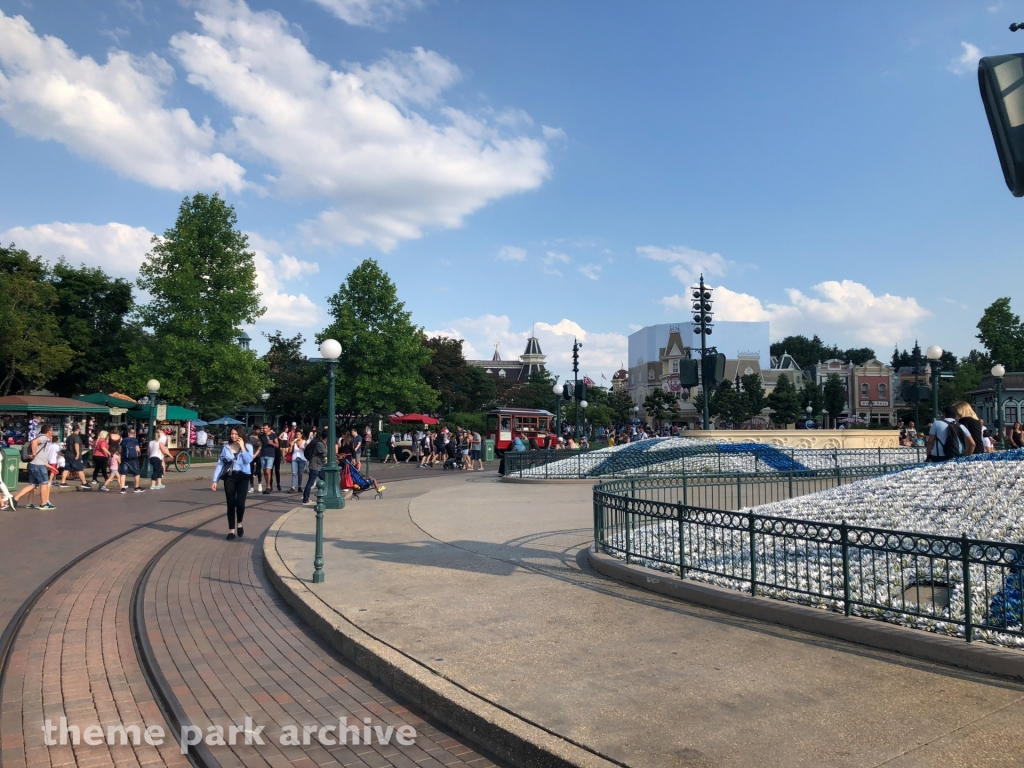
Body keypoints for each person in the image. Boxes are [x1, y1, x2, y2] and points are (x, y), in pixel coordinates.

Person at [211, 427, 254, 540]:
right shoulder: (226, 447)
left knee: (240, 503)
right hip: (230, 477)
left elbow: (248, 460)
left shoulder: (248, 446)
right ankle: (231, 531)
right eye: (232, 434)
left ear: (241, 434)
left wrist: (243, 447)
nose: (233, 436)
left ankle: (239, 522)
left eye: (236, 434)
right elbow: (220, 464)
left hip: (243, 477)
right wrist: (215, 480)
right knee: (230, 504)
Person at [14, 423, 56, 510]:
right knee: (44, 483)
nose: (53, 432)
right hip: (39, 465)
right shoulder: (44, 438)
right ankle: (43, 504)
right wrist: (34, 454)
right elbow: (34, 442)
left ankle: (15, 498)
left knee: (33, 484)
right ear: (48, 431)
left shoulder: (39, 437)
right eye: (52, 430)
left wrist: (51, 467)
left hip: (33, 464)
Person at [302, 428, 329, 505]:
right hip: (315, 465)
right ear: (327, 437)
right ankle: (305, 499)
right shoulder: (320, 444)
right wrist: (336, 456)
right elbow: (326, 453)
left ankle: (323, 495)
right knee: (310, 482)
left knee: (325, 480)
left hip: (320, 465)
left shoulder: (324, 444)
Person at [59, 424, 88, 488]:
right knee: (80, 469)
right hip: (74, 455)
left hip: (68, 455)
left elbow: (67, 445)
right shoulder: (76, 437)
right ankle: (84, 483)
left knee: (66, 469)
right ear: (78, 430)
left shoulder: (69, 437)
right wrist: (77, 453)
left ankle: (63, 482)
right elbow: (76, 444)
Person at [121, 428, 145, 493]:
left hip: (125, 458)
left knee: (123, 473)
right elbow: (137, 449)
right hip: (133, 458)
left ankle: (123, 488)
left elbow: (121, 448)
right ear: (134, 434)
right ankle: (137, 487)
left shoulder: (124, 440)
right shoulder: (135, 440)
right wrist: (139, 453)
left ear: (128, 433)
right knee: (136, 472)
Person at [258, 424, 278, 494]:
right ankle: (267, 486)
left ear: (269, 428)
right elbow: (260, 445)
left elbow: (277, 445)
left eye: (266, 428)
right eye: (263, 428)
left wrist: (272, 443)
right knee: (264, 472)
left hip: (270, 454)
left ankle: (268, 486)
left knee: (267, 471)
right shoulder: (261, 436)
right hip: (263, 454)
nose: (264, 430)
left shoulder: (273, 435)